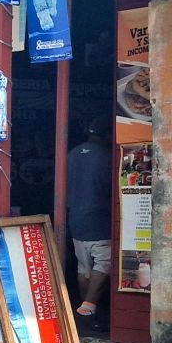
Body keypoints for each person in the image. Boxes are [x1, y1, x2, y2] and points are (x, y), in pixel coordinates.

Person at [67, 116, 113, 324]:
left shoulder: (72, 154)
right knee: (103, 262)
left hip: (76, 217)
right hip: (100, 217)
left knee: (83, 266)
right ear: (107, 135)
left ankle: (86, 312)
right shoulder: (108, 157)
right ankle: (89, 306)